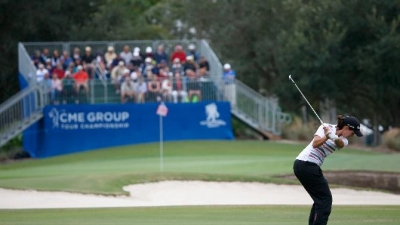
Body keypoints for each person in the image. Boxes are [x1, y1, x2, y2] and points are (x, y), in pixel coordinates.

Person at [293, 115, 363, 225]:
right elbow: (315, 144)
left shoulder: (344, 140)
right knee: (325, 199)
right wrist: (326, 136)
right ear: (346, 127)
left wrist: (333, 136)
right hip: (305, 164)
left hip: (309, 166)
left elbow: (339, 143)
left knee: (320, 200)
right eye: (353, 133)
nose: (352, 136)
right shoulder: (325, 127)